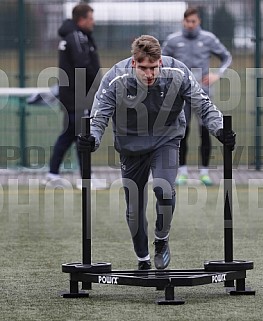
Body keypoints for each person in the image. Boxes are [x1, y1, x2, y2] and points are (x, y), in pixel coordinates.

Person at [77, 35, 236, 270]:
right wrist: (92, 138)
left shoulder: (178, 73)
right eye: (143, 68)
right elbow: (99, 116)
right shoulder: (115, 78)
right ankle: (142, 257)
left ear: (160, 62)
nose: (149, 74)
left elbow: (202, 104)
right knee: (134, 211)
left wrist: (219, 128)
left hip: (166, 139)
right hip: (131, 146)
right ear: (134, 63)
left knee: (164, 189)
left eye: (154, 67)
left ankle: (161, 240)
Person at [162, 7, 232, 186]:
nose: (190, 25)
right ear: (183, 22)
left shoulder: (208, 39)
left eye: (193, 21)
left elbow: (226, 57)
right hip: (180, 96)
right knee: (182, 132)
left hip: (203, 94)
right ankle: (182, 171)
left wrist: (218, 74)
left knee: (205, 132)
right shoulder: (173, 40)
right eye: (187, 22)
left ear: (198, 21)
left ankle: (204, 172)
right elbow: (161, 63)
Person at [43, 3, 102, 188]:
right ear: (82, 19)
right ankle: (85, 179)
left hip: (73, 95)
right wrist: (99, 83)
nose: (93, 22)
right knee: (81, 135)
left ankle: (53, 174)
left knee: (70, 134)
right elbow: (82, 65)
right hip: (77, 96)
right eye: (91, 18)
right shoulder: (76, 37)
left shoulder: (76, 36)